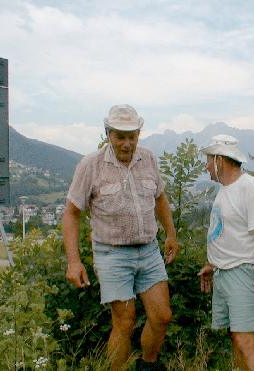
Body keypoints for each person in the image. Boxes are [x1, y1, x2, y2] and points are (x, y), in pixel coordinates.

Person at [62, 104, 179, 371]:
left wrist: (171, 234)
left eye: (132, 136)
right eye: (119, 136)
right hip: (111, 253)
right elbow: (71, 214)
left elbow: (160, 198)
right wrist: (74, 261)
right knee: (124, 321)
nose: (127, 143)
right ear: (108, 134)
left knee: (162, 316)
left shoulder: (148, 158)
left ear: (139, 133)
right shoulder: (90, 166)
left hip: (149, 250)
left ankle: (147, 365)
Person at [198, 134, 254, 371]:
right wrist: (212, 264)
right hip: (224, 274)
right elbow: (228, 233)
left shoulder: (250, 187)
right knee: (237, 338)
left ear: (220, 160)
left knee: (246, 341)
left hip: (243, 274)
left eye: (208, 160)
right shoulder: (226, 190)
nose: (206, 166)